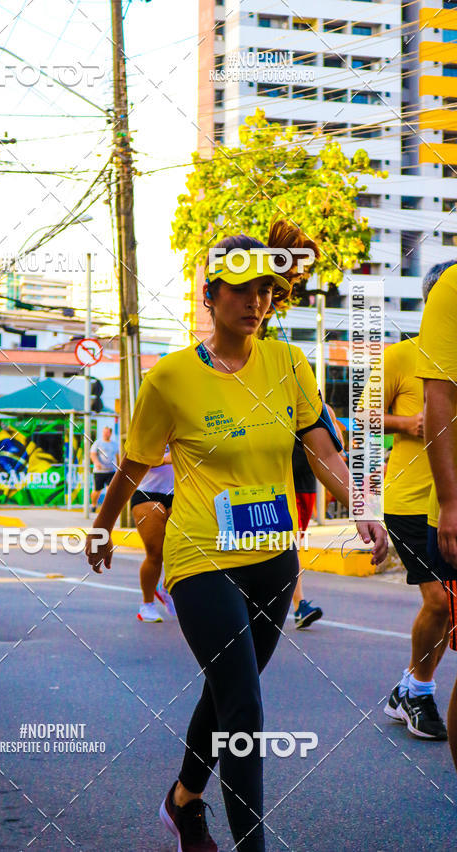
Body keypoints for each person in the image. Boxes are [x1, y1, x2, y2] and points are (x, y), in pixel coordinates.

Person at [85, 230, 387, 851]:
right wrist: (100, 522)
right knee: (245, 707)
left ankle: (182, 800)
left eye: (266, 292)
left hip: (275, 559)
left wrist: (361, 505)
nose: (255, 302)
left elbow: (319, 444)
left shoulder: (288, 364)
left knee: (228, 693)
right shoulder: (171, 379)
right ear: (210, 295)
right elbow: (135, 464)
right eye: (243, 290)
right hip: (201, 557)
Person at [382, 265, 456, 740]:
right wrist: (408, 424)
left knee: (444, 607)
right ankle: (418, 690)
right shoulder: (399, 356)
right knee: (439, 603)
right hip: (410, 499)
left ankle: (408, 689)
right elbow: (363, 415)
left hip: (439, 493)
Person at [415, 260, 457, 768]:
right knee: (436, 607)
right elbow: (438, 401)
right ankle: (416, 685)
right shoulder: (452, 290)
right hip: (431, 505)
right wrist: (450, 501)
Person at [291, 403, 344, 628]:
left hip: (305, 485)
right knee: (287, 545)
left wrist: (329, 416)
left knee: (291, 545)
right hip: (280, 484)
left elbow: (337, 448)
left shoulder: (319, 406)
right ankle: (299, 605)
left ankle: (296, 605)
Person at [131, 445, 175, 622]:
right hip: (148, 493)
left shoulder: (186, 425)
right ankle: (147, 604)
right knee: (155, 553)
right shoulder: (149, 427)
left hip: (179, 493)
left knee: (181, 550)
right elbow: (131, 463)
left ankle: (165, 587)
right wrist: (165, 459)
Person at [90, 425, 119, 512]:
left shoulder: (114, 444)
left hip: (111, 471)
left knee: (110, 489)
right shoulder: (98, 443)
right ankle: (94, 505)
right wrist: (96, 462)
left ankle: (107, 508)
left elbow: (118, 456)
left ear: (110, 433)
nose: (105, 434)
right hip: (99, 471)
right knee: (97, 491)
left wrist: (119, 467)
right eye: (104, 432)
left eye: (107, 432)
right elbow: (93, 454)